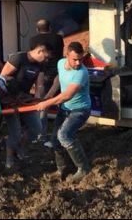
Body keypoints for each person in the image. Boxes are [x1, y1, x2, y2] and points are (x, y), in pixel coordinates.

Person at [35, 41, 92, 182]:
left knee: (64, 135)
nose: (78, 63)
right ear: (67, 55)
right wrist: (49, 95)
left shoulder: (81, 73)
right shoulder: (60, 63)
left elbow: (67, 95)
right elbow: (59, 80)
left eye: (81, 59)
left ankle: (84, 169)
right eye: (75, 59)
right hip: (65, 109)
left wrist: (47, 103)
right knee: (55, 141)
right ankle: (61, 169)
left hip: (80, 110)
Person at [0, 43, 51, 170]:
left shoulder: (40, 64)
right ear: (40, 51)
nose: (47, 60)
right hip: (9, 100)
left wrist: (39, 100)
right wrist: (8, 99)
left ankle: (20, 147)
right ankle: (9, 159)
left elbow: (40, 85)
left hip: (25, 99)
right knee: (15, 132)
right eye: (46, 57)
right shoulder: (19, 58)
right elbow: (1, 80)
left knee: (37, 128)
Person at [28, 19, 65, 98]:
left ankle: (40, 105)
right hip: (56, 70)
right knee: (56, 93)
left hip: (41, 70)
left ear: (37, 30)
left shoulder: (32, 40)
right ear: (50, 28)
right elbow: (61, 53)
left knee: (40, 91)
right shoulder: (58, 38)